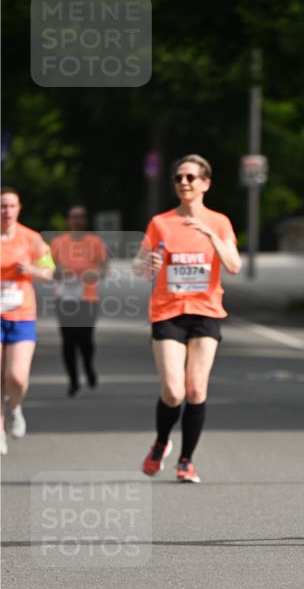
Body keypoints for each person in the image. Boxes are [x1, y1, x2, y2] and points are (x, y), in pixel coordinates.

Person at [133, 154, 241, 483]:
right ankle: (161, 442)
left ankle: (186, 461)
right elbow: (138, 267)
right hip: (167, 312)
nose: (183, 182)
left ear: (205, 183)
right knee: (173, 392)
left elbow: (234, 266)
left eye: (191, 177)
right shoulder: (161, 222)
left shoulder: (219, 222)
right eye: (179, 177)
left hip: (205, 312)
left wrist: (210, 235)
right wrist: (147, 264)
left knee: (195, 390)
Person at [0, 187, 55, 454]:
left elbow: (49, 271)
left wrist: (30, 269)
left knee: (17, 377)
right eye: (2, 206)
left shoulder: (31, 238)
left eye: (11, 206)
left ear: (19, 208)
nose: (7, 211)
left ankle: (15, 406)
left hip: (22, 315)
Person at [50, 206, 108, 396]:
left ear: (86, 221)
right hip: (64, 297)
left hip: (88, 298)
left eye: (81, 217)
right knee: (68, 340)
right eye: (73, 217)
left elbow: (104, 267)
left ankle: (88, 366)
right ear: (68, 220)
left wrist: (95, 273)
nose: (77, 221)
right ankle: (73, 380)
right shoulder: (58, 242)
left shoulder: (95, 241)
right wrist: (58, 273)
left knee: (85, 339)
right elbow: (49, 268)